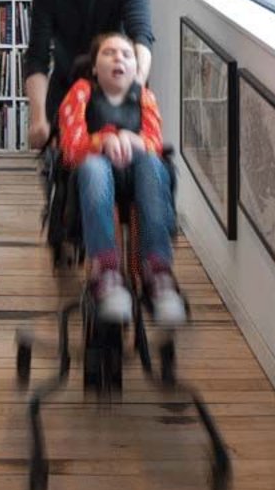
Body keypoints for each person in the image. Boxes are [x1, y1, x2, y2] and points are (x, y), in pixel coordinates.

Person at [58, 32, 187, 326]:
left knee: (155, 165)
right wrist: (103, 140)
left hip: (137, 175)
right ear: (94, 67)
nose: (119, 58)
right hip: (94, 174)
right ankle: (106, 269)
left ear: (135, 67)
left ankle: (157, 270)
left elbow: (154, 139)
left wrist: (134, 140)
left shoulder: (144, 97)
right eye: (109, 53)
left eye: (127, 54)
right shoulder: (81, 92)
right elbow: (70, 145)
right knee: (93, 167)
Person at [24, 0, 154, 148]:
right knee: (66, 177)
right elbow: (37, 55)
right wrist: (38, 119)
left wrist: (134, 87)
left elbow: (142, 38)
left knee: (118, 173)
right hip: (64, 95)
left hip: (117, 91)